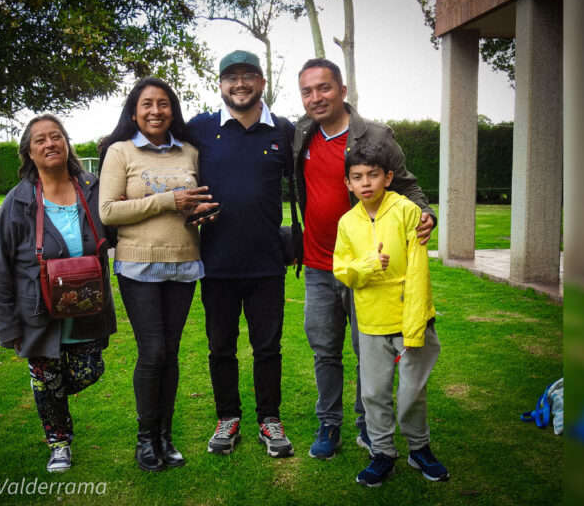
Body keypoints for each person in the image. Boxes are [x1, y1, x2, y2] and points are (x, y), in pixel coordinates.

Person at [292, 58, 436, 460]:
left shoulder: (375, 136)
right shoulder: (301, 134)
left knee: (366, 350)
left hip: (372, 270)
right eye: (307, 91)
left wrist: (426, 215)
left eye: (323, 88)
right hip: (320, 265)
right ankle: (329, 422)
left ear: (342, 90)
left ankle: (367, 425)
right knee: (324, 350)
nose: (315, 97)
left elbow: (408, 185)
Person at [0, 114, 116, 473]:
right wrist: (8, 327)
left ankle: (48, 391)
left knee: (90, 369)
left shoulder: (92, 186)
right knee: (47, 376)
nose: (49, 144)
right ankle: (59, 443)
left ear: (67, 142)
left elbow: (119, 226)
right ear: (29, 151)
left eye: (56, 136)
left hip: (88, 308)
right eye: (40, 140)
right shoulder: (18, 201)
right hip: (38, 314)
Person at [98, 77, 215, 472]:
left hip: (183, 262)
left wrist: (201, 211)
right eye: (146, 104)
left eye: (163, 103)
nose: (155, 111)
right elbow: (109, 211)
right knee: (153, 352)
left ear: (172, 110)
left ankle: (166, 437)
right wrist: (168, 200)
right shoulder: (120, 152)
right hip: (138, 265)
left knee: (172, 352)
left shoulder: (190, 152)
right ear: (134, 112)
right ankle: (145, 440)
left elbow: (199, 201)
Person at [188, 50, 295, 458]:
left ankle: (270, 419)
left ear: (262, 83)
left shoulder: (282, 131)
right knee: (221, 348)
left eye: (249, 75)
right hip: (216, 263)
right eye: (230, 77)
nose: (240, 84)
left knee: (268, 348)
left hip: (267, 262)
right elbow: (157, 150)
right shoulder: (199, 128)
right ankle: (227, 418)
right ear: (220, 84)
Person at [333, 139, 448, 486]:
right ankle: (382, 452)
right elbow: (343, 270)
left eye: (373, 175)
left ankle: (419, 448)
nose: (365, 183)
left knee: (413, 391)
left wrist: (414, 328)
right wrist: (368, 265)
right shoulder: (347, 223)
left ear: (388, 177)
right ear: (348, 183)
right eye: (357, 176)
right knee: (373, 393)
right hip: (370, 323)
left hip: (411, 321)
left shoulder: (406, 211)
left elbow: (417, 273)